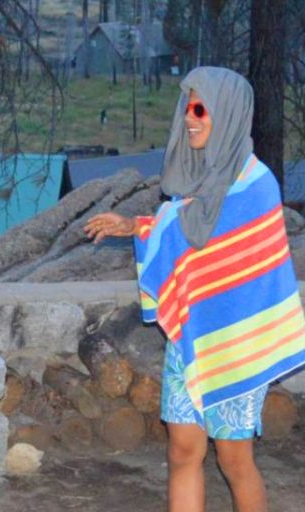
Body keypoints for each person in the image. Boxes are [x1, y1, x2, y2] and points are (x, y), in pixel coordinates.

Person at [85, 67, 305, 512]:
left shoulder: (256, 185)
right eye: (187, 108)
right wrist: (133, 225)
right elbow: (186, 232)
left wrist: (142, 225)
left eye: (201, 108)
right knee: (182, 450)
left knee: (233, 459)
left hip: (238, 343)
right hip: (190, 338)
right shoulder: (197, 179)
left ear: (226, 113)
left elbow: (217, 247)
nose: (190, 118)